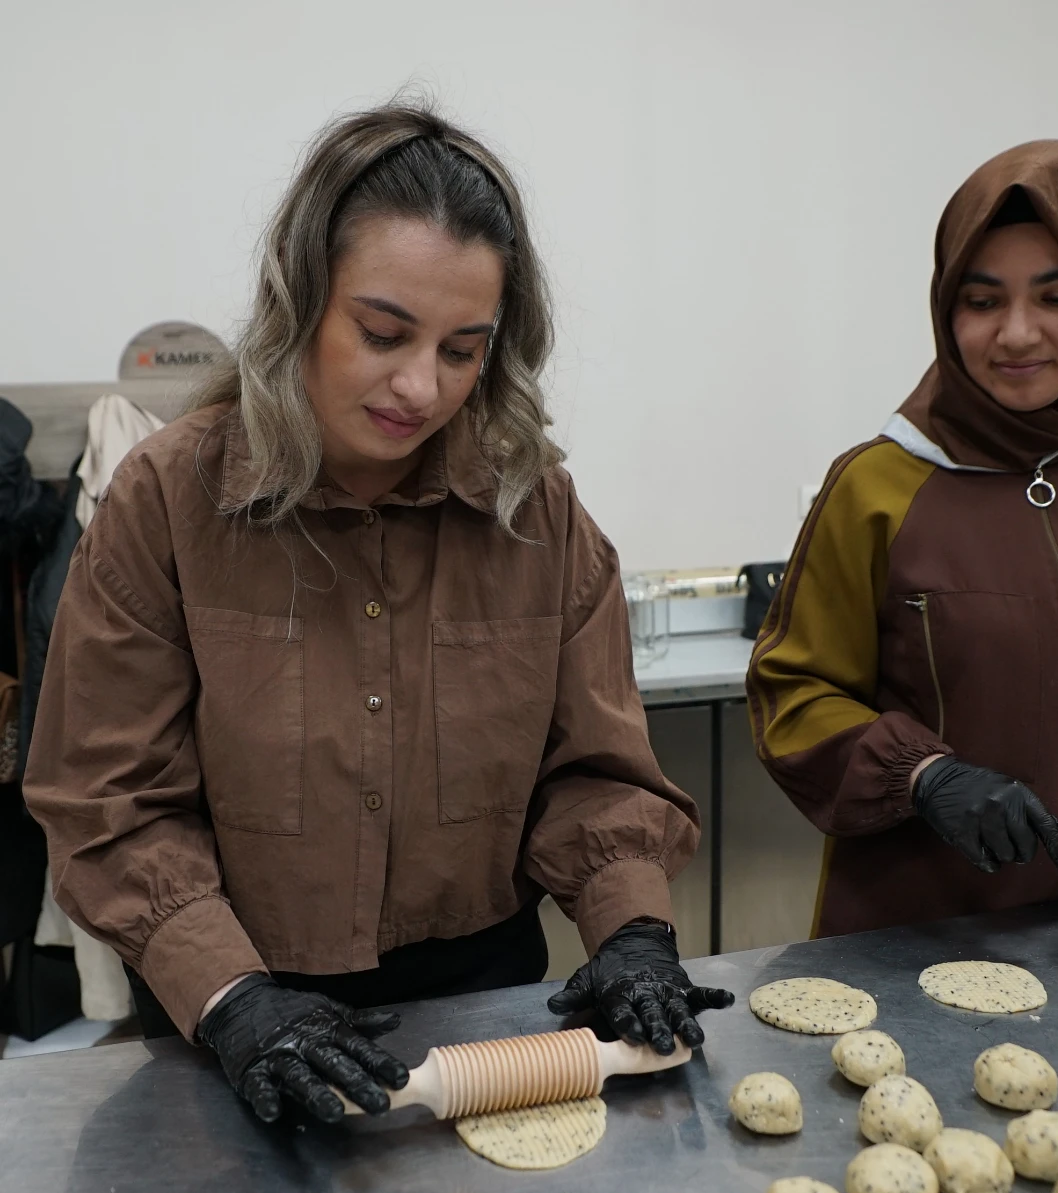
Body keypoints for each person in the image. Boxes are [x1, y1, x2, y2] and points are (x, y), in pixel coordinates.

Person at [24, 100, 731, 1124]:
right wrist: (232, 998)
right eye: (383, 332)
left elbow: (594, 770)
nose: (420, 385)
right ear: (299, 297)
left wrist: (630, 928)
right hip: (236, 1013)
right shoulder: (169, 500)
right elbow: (108, 799)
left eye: (462, 348)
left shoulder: (533, 510)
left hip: (486, 1008)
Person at [747, 140, 1058, 938]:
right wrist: (924, 776)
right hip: (920, 929)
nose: (1016, 334)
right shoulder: (878, 488)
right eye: (982, 301)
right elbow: (795, 694)